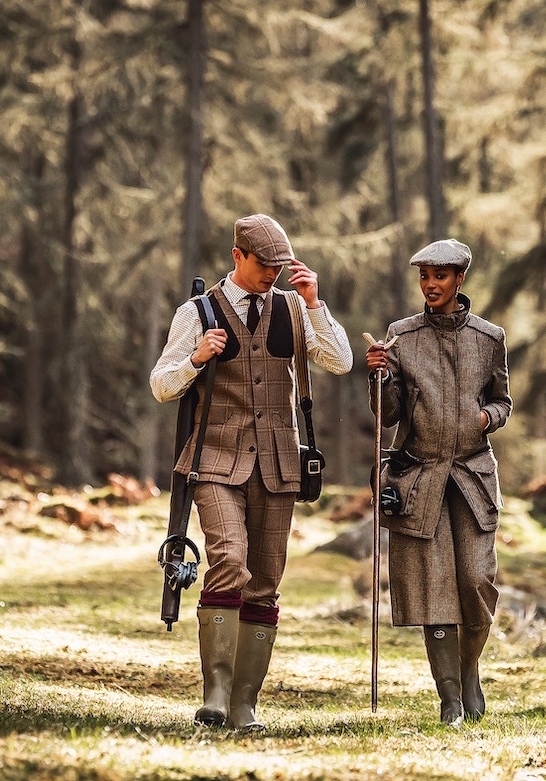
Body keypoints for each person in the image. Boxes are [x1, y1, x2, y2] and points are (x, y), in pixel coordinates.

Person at [150, 213, 353, 730]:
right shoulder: (197, 311)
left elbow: (340, 361)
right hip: (214, 459)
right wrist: (196, 358)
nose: (273, 275)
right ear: (237, 255)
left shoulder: (293, 308)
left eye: (280, 267)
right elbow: (161, 384)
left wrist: (313, 303)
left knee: (265, 582)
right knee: (229, 559)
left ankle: (245, 705)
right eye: (265, 265)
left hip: (279, 463)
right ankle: (215, 695)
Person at [364, 238, 512, 726]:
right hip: (418, 477)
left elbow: (503, 402)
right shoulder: (401, 337)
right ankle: (449, 698)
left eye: (440, 277)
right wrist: (379, 377)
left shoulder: (490, 338)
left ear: (460, 279)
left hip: (472, 477)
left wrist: (486, 419)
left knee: (477, 580)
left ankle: (469, 670)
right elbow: (389, 416)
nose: (430, 285)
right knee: (434, 590)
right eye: (424, 277)